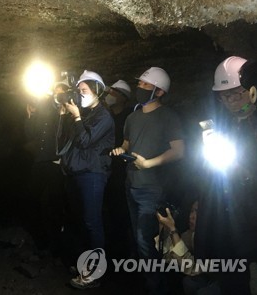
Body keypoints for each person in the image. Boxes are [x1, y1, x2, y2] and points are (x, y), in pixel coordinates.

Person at [111, 66, 185, 295]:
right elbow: (127, 143)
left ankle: (158, 288)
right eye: (140, 84)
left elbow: (179, 151)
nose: (139, 88)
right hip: (131, 184)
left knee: (147, 242)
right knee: (139, 240)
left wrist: (149, 163)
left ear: (159, 91)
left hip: (152, 189)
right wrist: (120, 150)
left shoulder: (168, 117)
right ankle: (148, 284)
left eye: (145, 85)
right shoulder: (133, 117)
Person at [195, 56, 257, 295]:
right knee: (232, 281)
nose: (231, 101)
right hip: (230, 220)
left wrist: (246, 175)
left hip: (255, 215)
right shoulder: (221, 127)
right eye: (225, 95)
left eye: (237, 93)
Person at [56, 70, 115, 290]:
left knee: (93, 223)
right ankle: (84, 263)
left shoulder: (103, 117)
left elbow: (84, 141)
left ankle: (95, 272)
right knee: (81, 222)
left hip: (93, 174)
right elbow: (62, 141)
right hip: (77, 173)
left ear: (97, 91)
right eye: (79, 91)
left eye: (84, 91)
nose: (80, 95)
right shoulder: (83, 112)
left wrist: (77, 117)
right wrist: (65, 115)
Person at [23, 81, 68, 254]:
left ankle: (58, 244)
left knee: (55, 204)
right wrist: (30, 117)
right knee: (33, 201)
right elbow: (32, 135)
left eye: (61, 92)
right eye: (55, 91)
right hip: (40, 162)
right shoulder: (45, 112)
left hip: (56, 164)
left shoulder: (68, 113)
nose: (57, 95)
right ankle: (41, 241)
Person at [156, 201, 220, 294]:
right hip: (210, 277)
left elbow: (191, 268)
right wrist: (165, 227)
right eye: (191, 211)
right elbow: (170, 257)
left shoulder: (217, 238)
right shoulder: (190, 235)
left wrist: (173, 230)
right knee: (189, 282)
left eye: (197, 212)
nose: (191, 216)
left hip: (229, 281)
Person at [103, 80, 133, 258]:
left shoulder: (129, 117)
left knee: (122, 215)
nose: (110, 95)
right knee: (108, 213)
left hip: (122, 173)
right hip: (106, 171)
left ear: (123, 97)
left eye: (114, 92)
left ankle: (123, 255)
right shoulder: (106, 116)